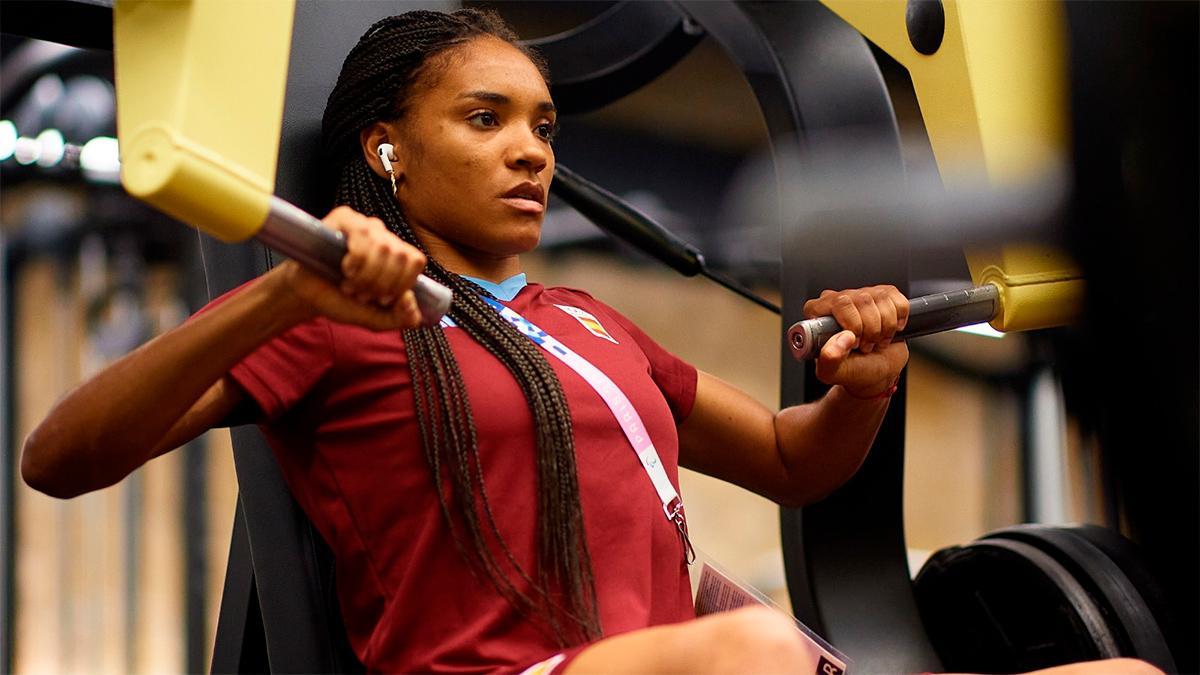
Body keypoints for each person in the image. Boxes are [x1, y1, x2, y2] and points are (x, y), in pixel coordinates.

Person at [20, 9, 1162, 675]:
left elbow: (786, 459)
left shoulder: (587, 324)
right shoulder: (328, 316)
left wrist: (862, 385)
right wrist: (284, 295)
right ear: (387, 150)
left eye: (544, 127)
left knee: (1118, 674)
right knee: (754, 652)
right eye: (486, 120)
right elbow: (60, 460)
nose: (533, 152)